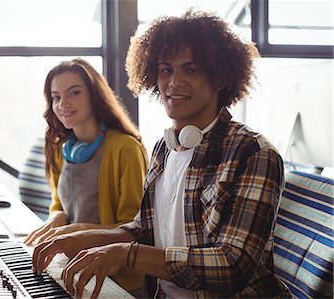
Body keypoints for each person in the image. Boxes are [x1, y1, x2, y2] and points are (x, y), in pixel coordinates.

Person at [31, 9, 292, 299]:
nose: (173, 81)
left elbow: (231, 265)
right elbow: (147, 228)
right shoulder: (165, 147)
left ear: (219, 77)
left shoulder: (253, 153)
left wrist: (126, 255)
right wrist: (87, 237)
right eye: (166, 69)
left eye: (190, 69)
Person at [24, 58, 148, 292]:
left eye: (74, 93)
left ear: (94, 95)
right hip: (69, 266)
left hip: (114, 279)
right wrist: (57, 217)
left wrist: (76, 230)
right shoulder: (58, 147)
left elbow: (134, 228)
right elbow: (58, 203)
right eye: (56, 97)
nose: (63, 104)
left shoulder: (126, 149)